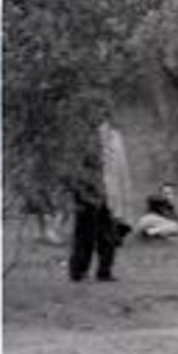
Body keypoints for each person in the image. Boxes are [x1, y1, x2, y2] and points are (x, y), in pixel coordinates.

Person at [68, 106, 134, 282]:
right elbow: (77, 167)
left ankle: (104, 271)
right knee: (85, 233)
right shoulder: (84, 137)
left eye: (105, 115)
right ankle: (79, 271)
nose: (103, 119)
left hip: (108, 192)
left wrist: (122, 193)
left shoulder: (115, 137)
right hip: (88, 190)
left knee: (109, 234)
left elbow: (121, 168)